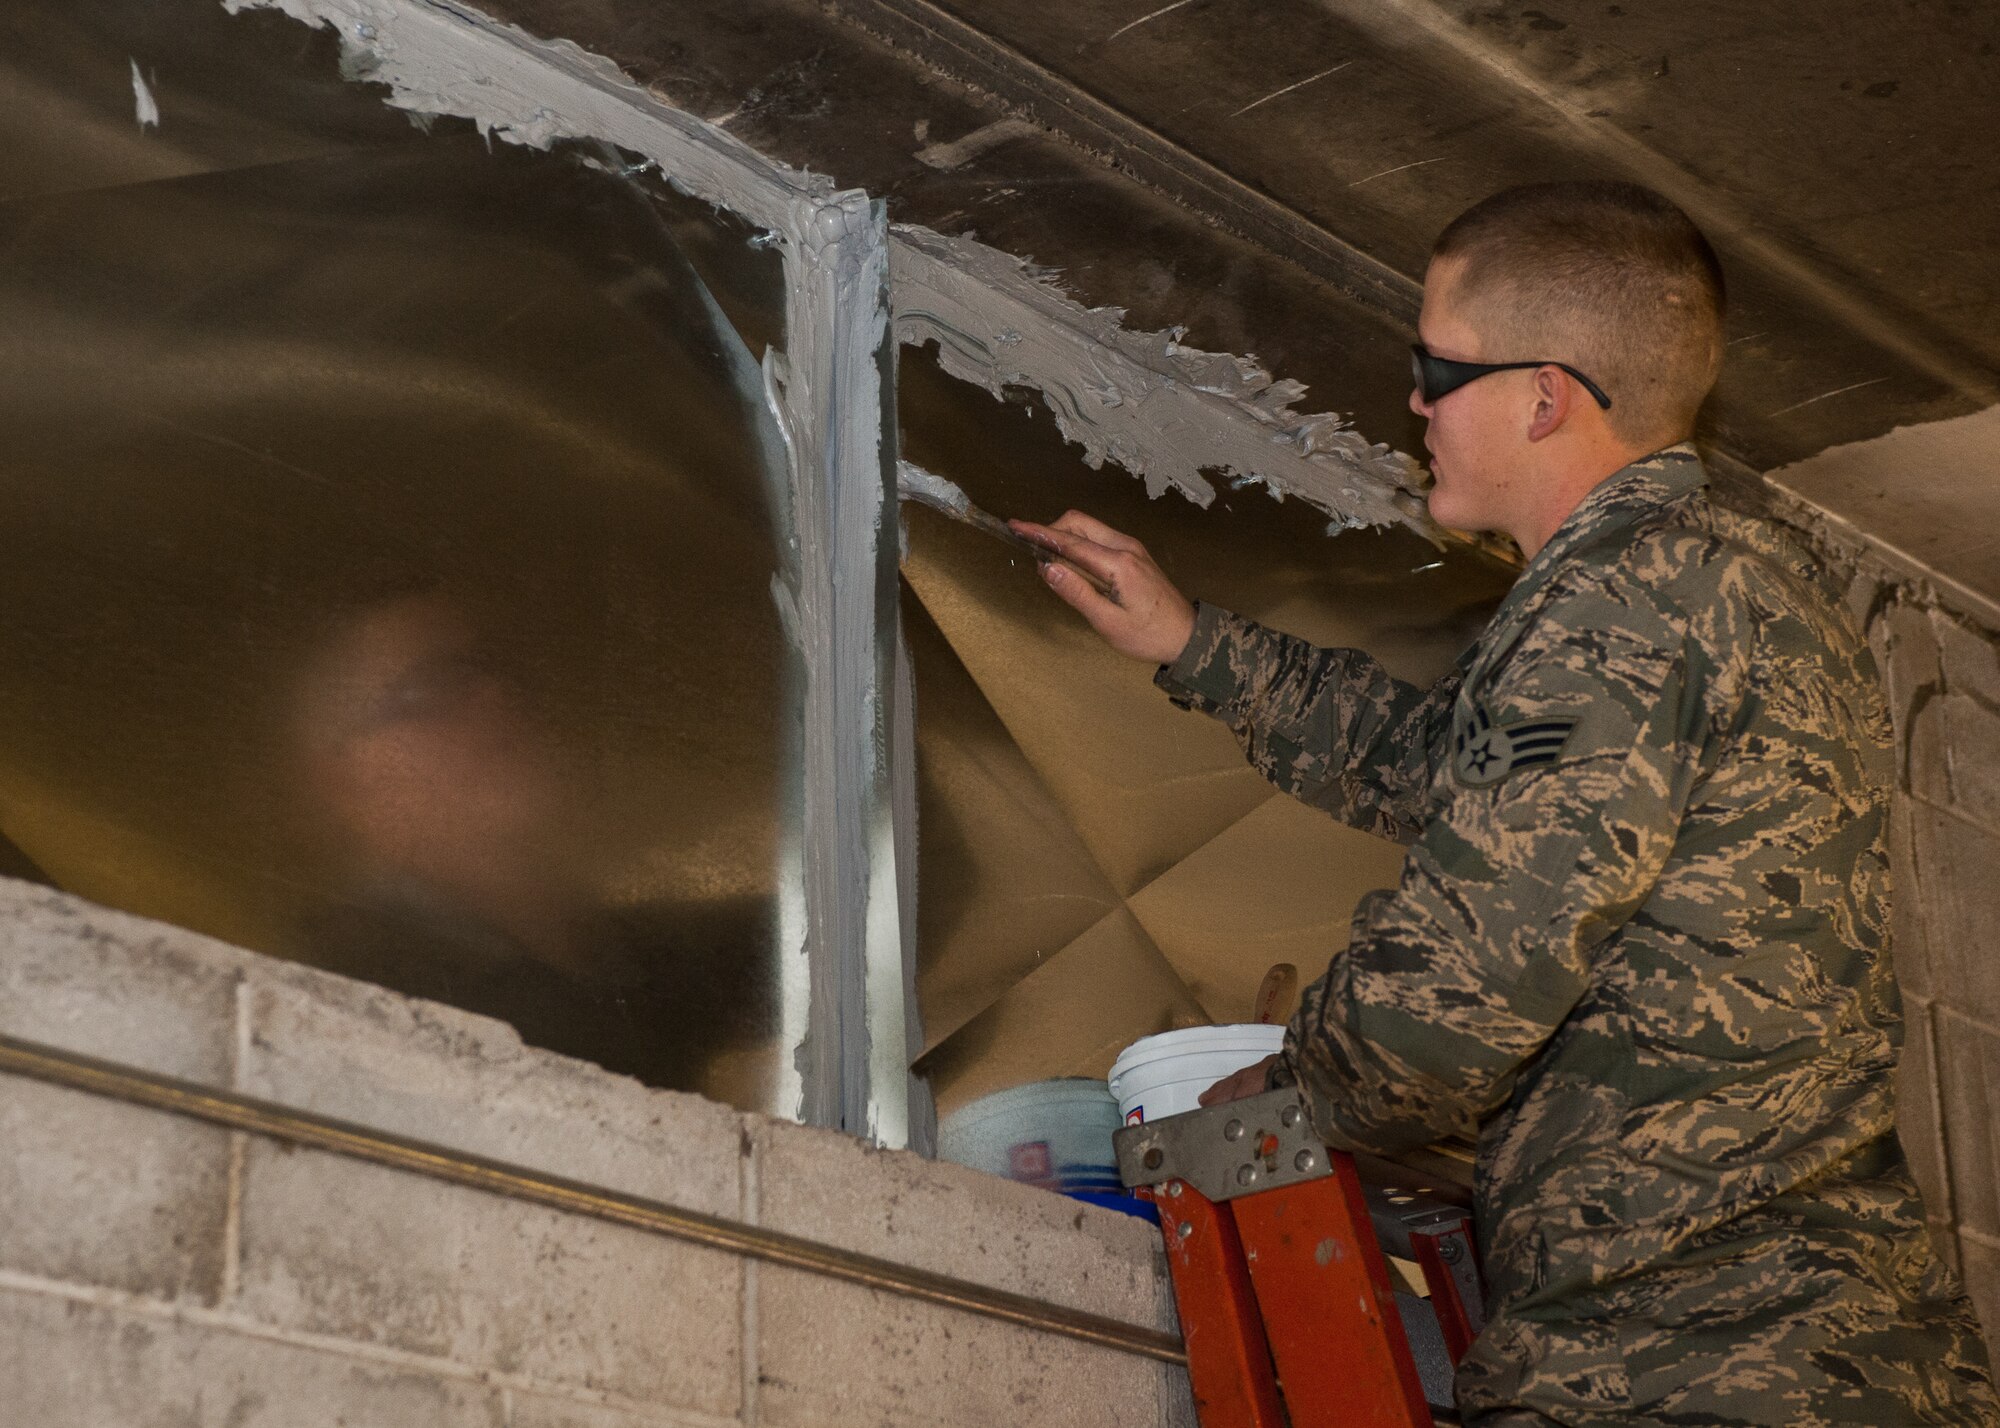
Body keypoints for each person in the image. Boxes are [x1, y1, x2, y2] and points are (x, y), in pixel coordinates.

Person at [1013, 181, 1997, 1426]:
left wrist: (1273, 1102)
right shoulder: (1713, 586)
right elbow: (1440, 764)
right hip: (1812, 1352)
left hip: (1683, 1361)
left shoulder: (1626, 603)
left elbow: (1458, 986)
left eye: (1436, 365)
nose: (1413, 400)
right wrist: (1191, 644)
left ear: (1545, 395)